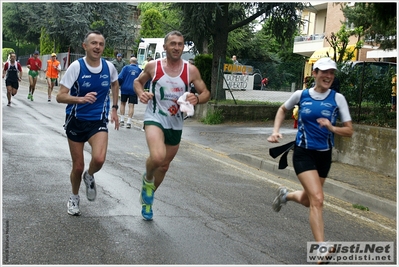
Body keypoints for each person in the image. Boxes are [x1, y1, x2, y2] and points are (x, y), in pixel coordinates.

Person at [267, 57, 353, 262]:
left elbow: (349, 131)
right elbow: (282, 109)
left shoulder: (338, 98)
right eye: (324, 72)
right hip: (303, 153)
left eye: (332, 72)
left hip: (324, 155)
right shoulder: (301, 95)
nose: (329, 76)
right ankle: (321, 248)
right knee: (318, 199)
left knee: (308, 200)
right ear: (314, 74)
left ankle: (285, 195)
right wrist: (276, 130)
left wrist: (332, 128)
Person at [133, 30, 210, 221]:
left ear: (183, 47)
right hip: (155, 117)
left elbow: (206, 92)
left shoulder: (190, 70)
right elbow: (137, 82)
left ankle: (148, 196)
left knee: (165, 166)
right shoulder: (153, 66)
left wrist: (197, 98)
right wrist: (140, 93)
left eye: (180, 44)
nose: (176, 47)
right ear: (165, 46)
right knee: (158, 157)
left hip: (176, 123)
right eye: (173, 44)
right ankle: (148, 178)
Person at [56, 30, 119, 216]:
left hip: (97, 121)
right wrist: (80, 99)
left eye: (100, 44)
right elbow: (60, 96)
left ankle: (89, 176)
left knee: (99, 159)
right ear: (85, 46)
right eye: (93, 43)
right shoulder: (76, 67)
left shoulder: (109, 67)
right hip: (75, 120)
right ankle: (74, 197)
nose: (97, 47)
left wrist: (114, 107)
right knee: (77, 166)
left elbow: (115, 83)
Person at [118, 57, 142, 128]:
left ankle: (122, 120)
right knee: (131, 105)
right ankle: (129, 122)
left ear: (130, 61)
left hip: (125, 88)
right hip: (134, 89)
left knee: (122, 103)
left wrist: (120, 84)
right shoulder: (139, 70)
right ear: (136, 62)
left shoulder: (125, 68)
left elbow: (120, 77)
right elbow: (142, 80)